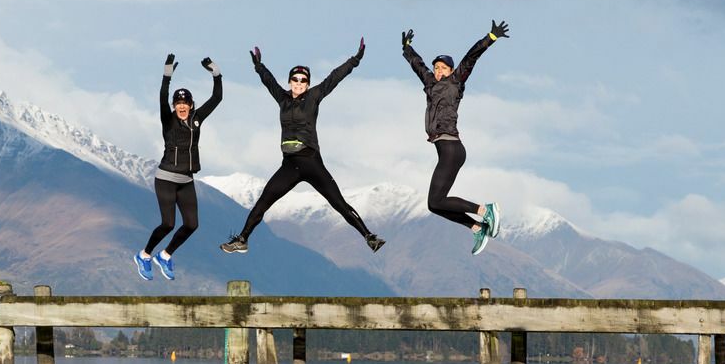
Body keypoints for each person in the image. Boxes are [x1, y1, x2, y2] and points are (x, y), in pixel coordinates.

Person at [220, 41, 383, 254]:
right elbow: (268, 81)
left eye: (303, 80)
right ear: (289, 82)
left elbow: (334, 77)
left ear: (307, 84)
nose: (299, 82)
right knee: (263, 202)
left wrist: (356, 59)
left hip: (311, 161)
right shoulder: (283, 98)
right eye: (295, 79)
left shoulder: (314, 96)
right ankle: (242, 240)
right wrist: (258, 65)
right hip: (289, 165)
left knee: (338, 203)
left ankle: (369, 236)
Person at [403, 20, 507, 254]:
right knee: (434, 204)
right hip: (444, 150)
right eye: (437, 68)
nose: (439, 71)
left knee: (437, 200)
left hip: (452, 149)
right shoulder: (430, 83)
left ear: (451, 71)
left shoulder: (456, 82)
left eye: (443, 68)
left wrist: (489, 38)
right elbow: (418, 66)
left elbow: (471, 58)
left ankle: (485, 210)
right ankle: (476, 227)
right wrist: (406, 48)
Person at [137, 53, 222, 281]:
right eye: (178, 104)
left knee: (192, 224)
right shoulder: (168, 119)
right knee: (168, 224)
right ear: (174, 107)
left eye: (185, 104)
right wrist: (167, 76)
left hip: (186, 180)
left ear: (191, 105)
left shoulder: (196, 119)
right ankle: (144, 255)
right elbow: (162, 96)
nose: (181, 106)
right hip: (165, 178)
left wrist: (215, 72)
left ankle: (165, 255)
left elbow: (217, 98)